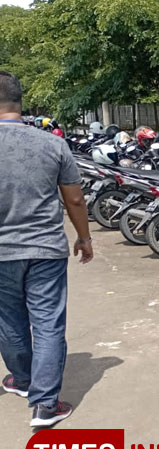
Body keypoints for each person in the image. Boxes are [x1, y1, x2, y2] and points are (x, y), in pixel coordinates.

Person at [0, 71, 94, 427]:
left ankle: (22, 380)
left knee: (9, 320)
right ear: (20, 102)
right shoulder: (52, 144)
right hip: (45, 251)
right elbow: (75, 199)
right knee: (48, 324)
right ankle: (45, 405)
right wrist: (84, 238)